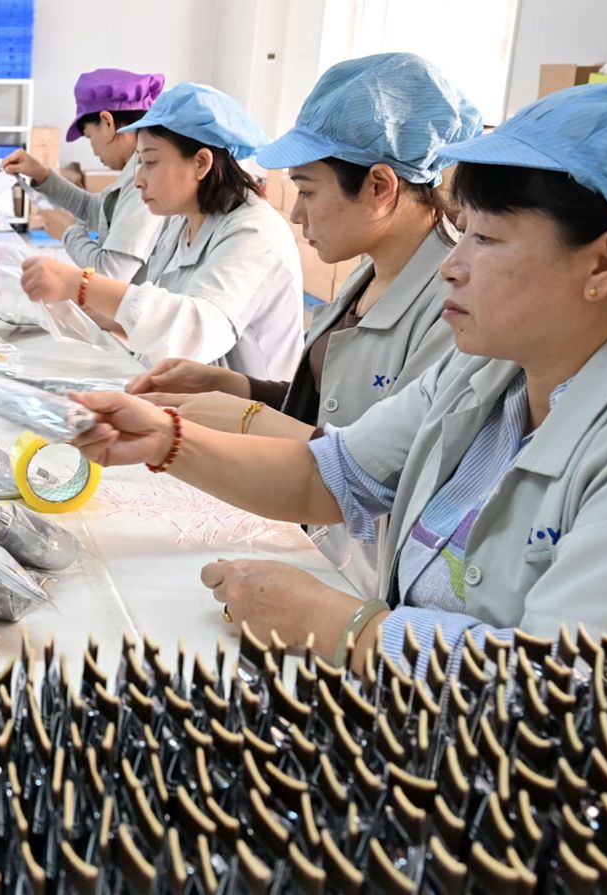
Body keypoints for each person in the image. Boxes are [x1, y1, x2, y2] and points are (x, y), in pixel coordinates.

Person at [70, 80, 607, 741]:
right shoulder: (499, 360)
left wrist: (348, 629)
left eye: (488, 239)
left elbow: (576, 702)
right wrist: (168, 441)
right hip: (457, 743)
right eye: (462, 234)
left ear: (605, 261)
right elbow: (327, 477)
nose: (453, 264)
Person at [126, 53, 482, 595]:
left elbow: (384, 466)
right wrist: (235, 384)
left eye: (308, 192)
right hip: (306, 534)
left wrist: (240, 417)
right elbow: (336, 401)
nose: (295, 215)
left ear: (381, 187)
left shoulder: (452, 310)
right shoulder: (369, 272)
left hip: (363, 574)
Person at [19, 82, 303, 380]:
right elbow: (155, 314)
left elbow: (195, 330)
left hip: (245, 418)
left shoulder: (255, 232)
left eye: (150, 162)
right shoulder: (183, 222)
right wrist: (80, 310)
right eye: (139, 163)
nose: (139, 180)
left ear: (201, 163)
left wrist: (82, 284)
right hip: (187, 396)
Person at [0, 68, 168, 283]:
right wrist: (41, 174)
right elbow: (94, 210)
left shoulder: (144, 177)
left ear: (107, 123)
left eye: (89, 136)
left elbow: (111, 273)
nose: (94, 150)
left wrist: (68, 233)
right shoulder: (134, 168)